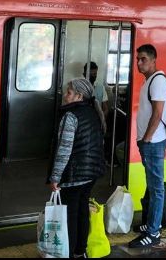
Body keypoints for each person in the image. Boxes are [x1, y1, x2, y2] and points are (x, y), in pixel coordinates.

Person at [47, 77, 106, 259]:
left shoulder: (71, 116)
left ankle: (69, 253)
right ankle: (80, 251)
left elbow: (64, 150)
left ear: (79, 96)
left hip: (74, 175)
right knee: (81, 212)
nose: (65, 95)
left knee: (70, 216)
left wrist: (55, 177)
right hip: (91, 174)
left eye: (69, 92)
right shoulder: (93, 112)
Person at [130, 44, 166, 248]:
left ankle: (153, 232)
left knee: (156, 188)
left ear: (154, 60)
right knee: (152, 186)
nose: (139, 63)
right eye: (138, 59)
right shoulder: (149, 81)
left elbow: (157, 114)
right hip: (150, 142)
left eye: (143, 59)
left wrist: (146, 138)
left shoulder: (158, 81)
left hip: (153, 142)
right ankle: (151, 224)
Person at [83, 62, 107, 134]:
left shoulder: (101, 88)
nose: (94, 76)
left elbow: (105, 109)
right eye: (91, 74)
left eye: (95, 74)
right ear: (84, 74)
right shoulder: (79, 88)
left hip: (98, 120)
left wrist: (100, 118)